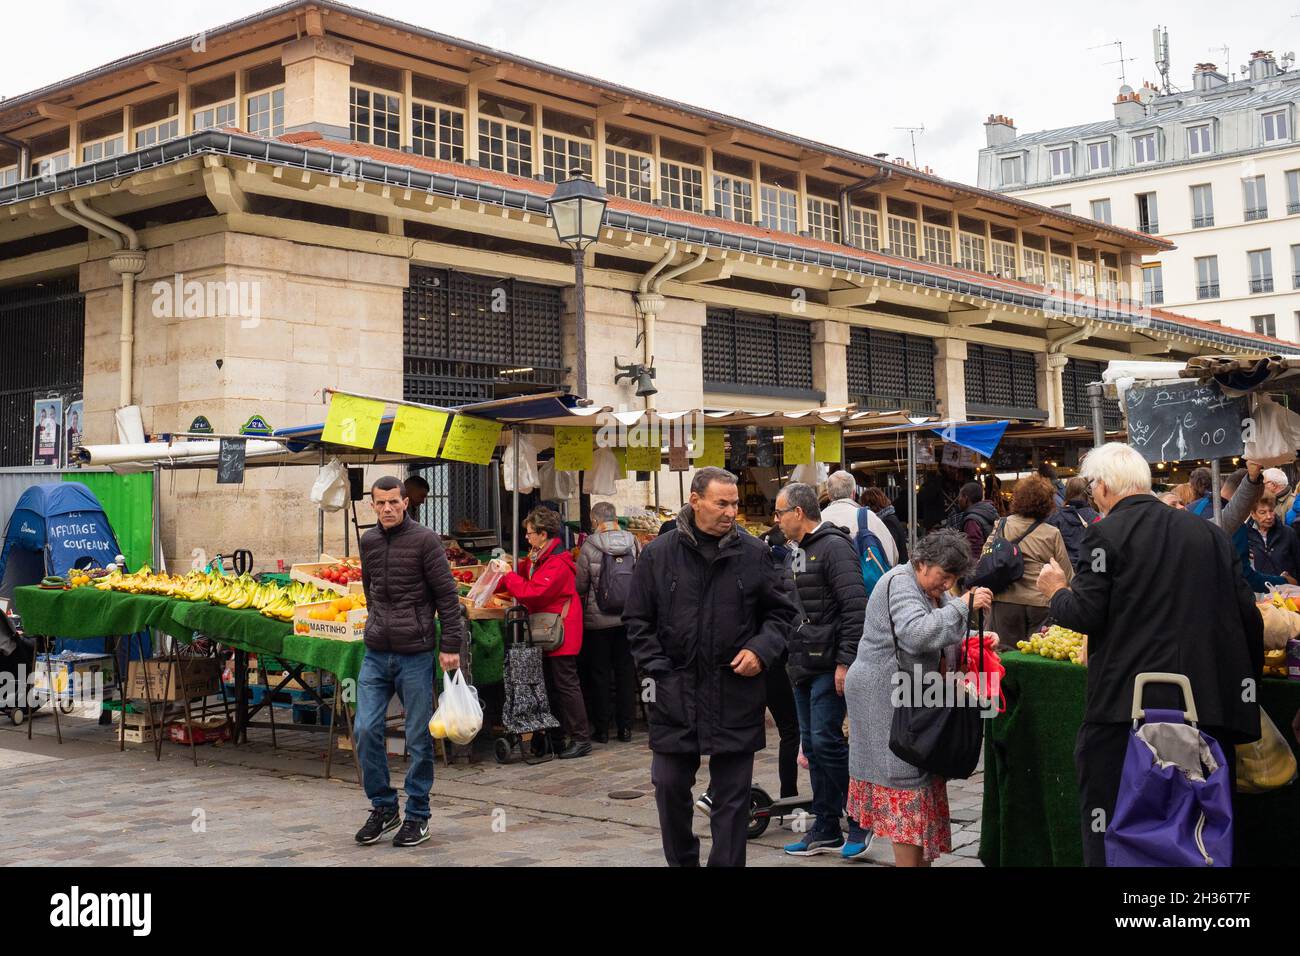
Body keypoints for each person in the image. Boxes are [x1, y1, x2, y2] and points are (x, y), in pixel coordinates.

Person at [1035, 443, 1263, 867]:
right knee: (1202, 830)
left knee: (1115, 827)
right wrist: (1245, 694)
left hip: (1126, 714)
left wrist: (1055, 591)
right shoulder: (1208, 534)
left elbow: (1085, 613)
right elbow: (1249, 618)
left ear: (1102, 488)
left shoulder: (1104, 534)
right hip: (1205, 711)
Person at [624, 466, 797, 867]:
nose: (731, 511)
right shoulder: (657, 555)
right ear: (695, 500)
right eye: (722, 503)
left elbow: (782, 615)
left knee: (732, 802)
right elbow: (637, 621)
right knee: (668, 788)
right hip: (674, 693)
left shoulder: (754, 554)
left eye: (735, 503)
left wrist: (761, 650)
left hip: (735, 693)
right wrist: (658, 671)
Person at [845, 529, 993, 867]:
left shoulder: (924, 584)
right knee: (905, 784)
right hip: (882, 698)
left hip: (909, 696)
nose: (947, 584)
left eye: (953, 579)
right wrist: (962, 605)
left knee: (918, 782)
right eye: (944, 577)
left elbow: (933, 628)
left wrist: (974, 636)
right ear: (922, 563)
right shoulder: (900, 582)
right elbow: (916, 634)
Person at [353, 476, 464, 848]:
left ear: (405, 503)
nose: (387, 508)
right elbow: (371, 591)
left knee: (418, 738)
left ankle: (418, 815)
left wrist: (450, 644)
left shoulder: (425, 540)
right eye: (380, 503)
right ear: (372, 505)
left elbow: (447, 597)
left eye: (394, 502)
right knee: (365, 730)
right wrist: (377, 625)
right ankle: (384, 807)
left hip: (415, 654)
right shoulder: (367, 542)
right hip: (376, 653)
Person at [774, 482, 869, 860]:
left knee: (827, 742)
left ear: (798, 512)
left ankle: (859, 818)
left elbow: (854, 606)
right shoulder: (795, 551)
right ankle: (825, 826)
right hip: (800, 663)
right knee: (813, 746)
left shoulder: (834, 546)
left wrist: (846, 661)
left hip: (829, 663)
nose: (776, 520)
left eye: (780, 512)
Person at [500, 507, 591, 758]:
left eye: (529, 533)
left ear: (542, 534)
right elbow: (523, 573)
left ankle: (581, 738)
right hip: (547, 629)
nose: (526, 538)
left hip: (561, 630)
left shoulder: (557, 563)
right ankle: (557, 736)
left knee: (566, 684)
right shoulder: (539, 556)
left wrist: (509, 578)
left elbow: (534, 593)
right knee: (551, 685)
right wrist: (499, 576)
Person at [575, 502, 639, 743]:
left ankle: (602, 729)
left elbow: (580, 585)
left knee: (600, 674)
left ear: (595, 521)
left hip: (597, 620)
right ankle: (626, 728)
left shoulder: (589, 545)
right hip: (626, 618)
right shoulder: (633, 542)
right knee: (624, 672)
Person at [987, 475, 1074, 649]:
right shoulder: (1052, 533)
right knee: (1037, 653)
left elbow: (985, 557)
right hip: (1041, 603)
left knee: (1004, 654)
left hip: (1005, 600)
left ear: (1017, 499)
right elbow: (1066, 573)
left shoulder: (1002, 525)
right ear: (1047, 503)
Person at [821, 470, 898, 565]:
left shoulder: (818, 520)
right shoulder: (867, 516)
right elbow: (892, 555)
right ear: (853, 494)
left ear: (829, 495)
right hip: (865, 578)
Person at [1047, 475, 1100, 571]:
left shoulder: (1055, 517)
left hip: (1064, 571)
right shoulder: (1096, 517)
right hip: (1090, 570)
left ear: (1067, 492)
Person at [1247, 497, 1300, 583]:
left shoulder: (1288, 533)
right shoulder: (1245, 536)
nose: (1269, 516)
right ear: (1253, 514)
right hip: (1260, 592)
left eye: (1271, 511)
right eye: (1262, 512)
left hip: (1287, 591)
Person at [947, 481, 998, 562]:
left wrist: (972, 570)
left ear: (966, 498)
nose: (958, 500)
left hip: (982, 565)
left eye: (960, 496)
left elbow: (975, 551)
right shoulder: (990, 511)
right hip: (993, 560)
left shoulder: (972, 520)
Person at [862, 486, 908, 564]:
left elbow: (888, 550)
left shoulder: (887, 521)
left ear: (870, 505)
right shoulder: (889, 518)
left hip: (895, 569)